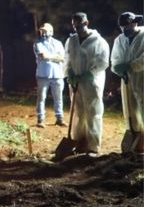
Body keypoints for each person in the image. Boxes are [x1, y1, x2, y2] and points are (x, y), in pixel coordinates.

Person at [64, 12, 110, 156]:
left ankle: (93, 147)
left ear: (87, 23)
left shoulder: (99, 41)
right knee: (78, 112)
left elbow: (103, 62)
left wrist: (89, 74)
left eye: (80, 25)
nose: (77, 28)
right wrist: (69, 73)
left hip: (91, 83)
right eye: (74, 25)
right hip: (75, 83)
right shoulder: (71, 40)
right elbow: (67, 59)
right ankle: (79, 142)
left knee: (93, 113)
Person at [110, 12, 144, 153]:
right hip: (126, 79)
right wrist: (118, 69)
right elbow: (115, 59)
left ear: (134, 23)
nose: (124, 30)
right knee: (130, 109)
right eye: (122, 27)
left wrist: (130, 66)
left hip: (142, 77)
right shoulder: (119, 39)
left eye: (127, 26)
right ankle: (137, 138)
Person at [33, 23, 66, 128]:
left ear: (51, 32)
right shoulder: (37, 43)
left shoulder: (58, 43)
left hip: (57, 75)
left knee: (58, 98)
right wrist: (55, 57)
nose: (43, 33)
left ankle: (60, 119)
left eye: (46, 31)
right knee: (42, 98)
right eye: (42, 31)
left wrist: (50, 57)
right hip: (43, 75)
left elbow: (62, 58)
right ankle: (40, 119)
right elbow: (43, 56)